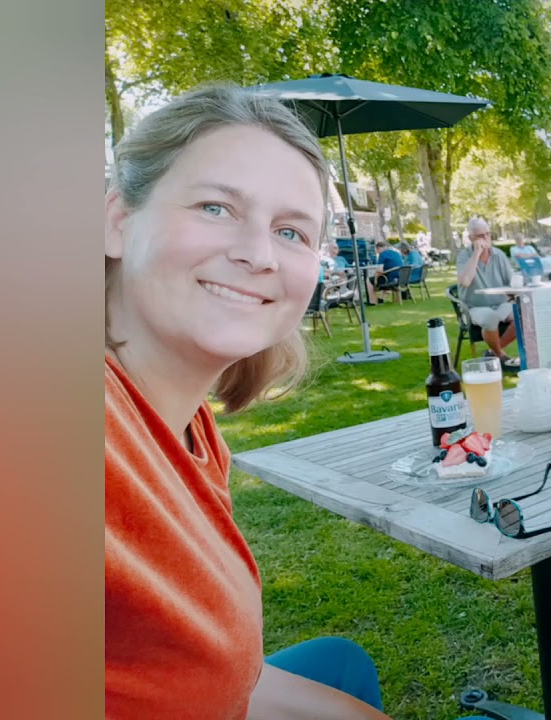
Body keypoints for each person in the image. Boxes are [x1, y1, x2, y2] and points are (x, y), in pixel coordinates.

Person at [105, 85, 389, 719]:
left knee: (343, 665)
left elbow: (229, 681)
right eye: (215, 207)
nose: (258, 255)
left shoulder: (193, 431)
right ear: (118, 222)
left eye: (290, 231)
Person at [456, 217, 520, 371]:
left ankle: (492, 352)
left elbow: (511, 283)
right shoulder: (465, 256)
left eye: (488, 234)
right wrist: (476, 254)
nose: (485, 238)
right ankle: (501, 356)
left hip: (500, 304)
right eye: (480, 236)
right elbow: (465, 281)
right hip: (474, 306)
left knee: (523, 314)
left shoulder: (498, 255)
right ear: (471, 238)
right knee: (490, 318)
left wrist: (516, 291)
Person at [370, 239, 403, 303]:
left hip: (390, 280)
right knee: (384, 276)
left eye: (377, 250)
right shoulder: (396, 253)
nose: (377, 252)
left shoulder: (382, 255)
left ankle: (372, 301)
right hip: (400, 277)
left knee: (369, 280)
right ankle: (382, 298)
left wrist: (375, 274)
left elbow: (380, 270)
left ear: (379, 248)